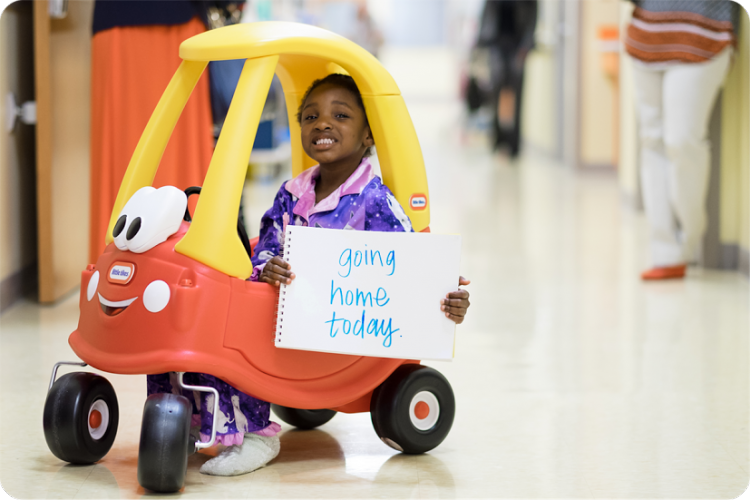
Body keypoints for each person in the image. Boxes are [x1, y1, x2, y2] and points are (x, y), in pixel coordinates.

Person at [148, 74, 472, 477]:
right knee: (204, 303)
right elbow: (265, 244)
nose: (323, 124)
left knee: (234, 331)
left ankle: (255, 435)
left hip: (340, 334)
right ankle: (194, 418)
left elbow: (409, 265)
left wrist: (442, 294)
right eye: (311, 116)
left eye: (341, 115)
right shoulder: (291, 192)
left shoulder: (373, 199)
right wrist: (268, 266)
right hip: (290, 315)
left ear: (367, 135)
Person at [625, 0, 740, 280]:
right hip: (646, 36)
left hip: (704, 34)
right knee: (651, 140)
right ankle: (664, 252)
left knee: (682, 140)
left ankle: (689, 235)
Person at [475, 0, 537, 157]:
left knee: (517, 96)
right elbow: (486, 16)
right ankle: (497, 141)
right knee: (495, 95)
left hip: (518, 48)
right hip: (496, 46)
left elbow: (532, 20)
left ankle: (514, 145)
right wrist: (480, 44)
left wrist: (527, 46)